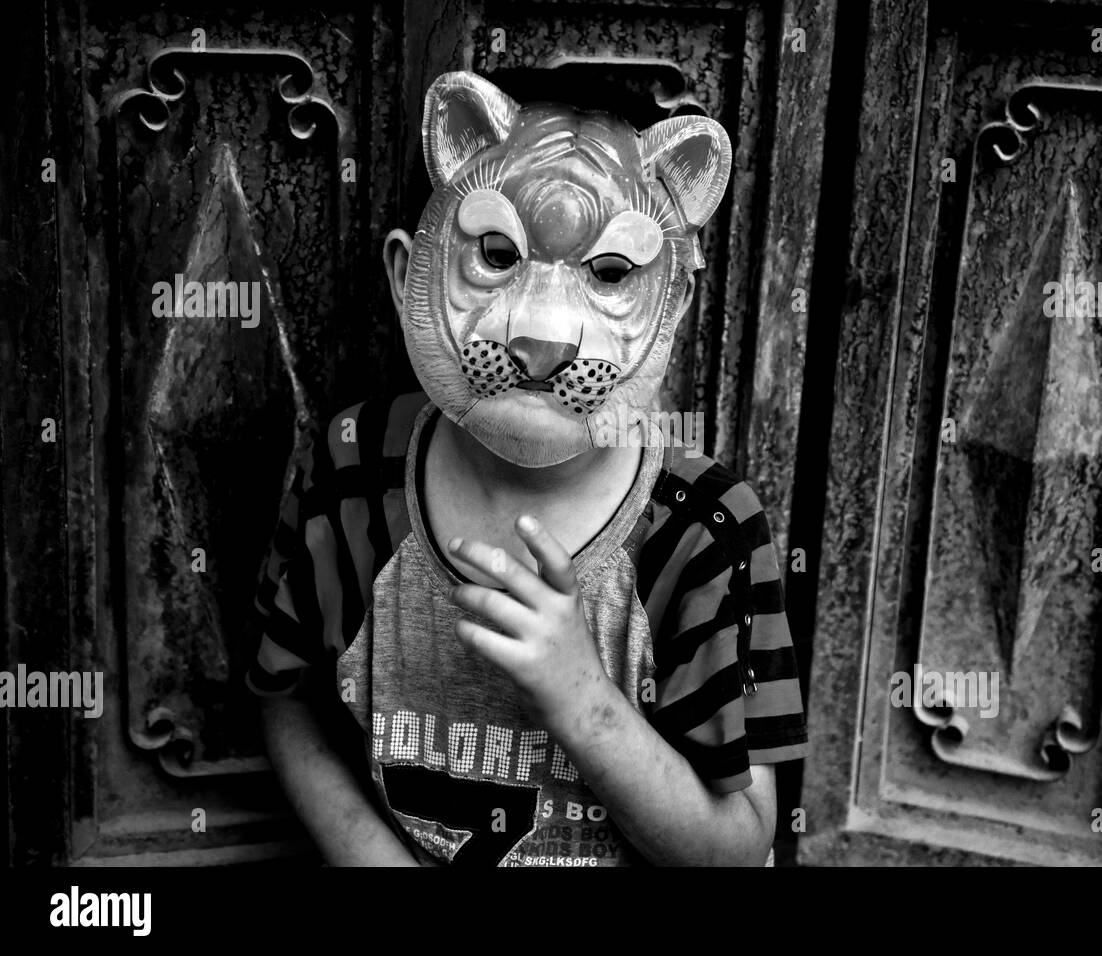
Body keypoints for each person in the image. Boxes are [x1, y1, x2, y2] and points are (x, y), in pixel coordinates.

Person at [246, 71, 809, 866]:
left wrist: (584, 703)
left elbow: (739, 850)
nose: (541, 336)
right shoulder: (355, 465)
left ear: (675, 304)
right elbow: (285, 695)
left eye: (611, 274)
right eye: (496, 256)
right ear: (410, 273)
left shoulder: (705, 528)